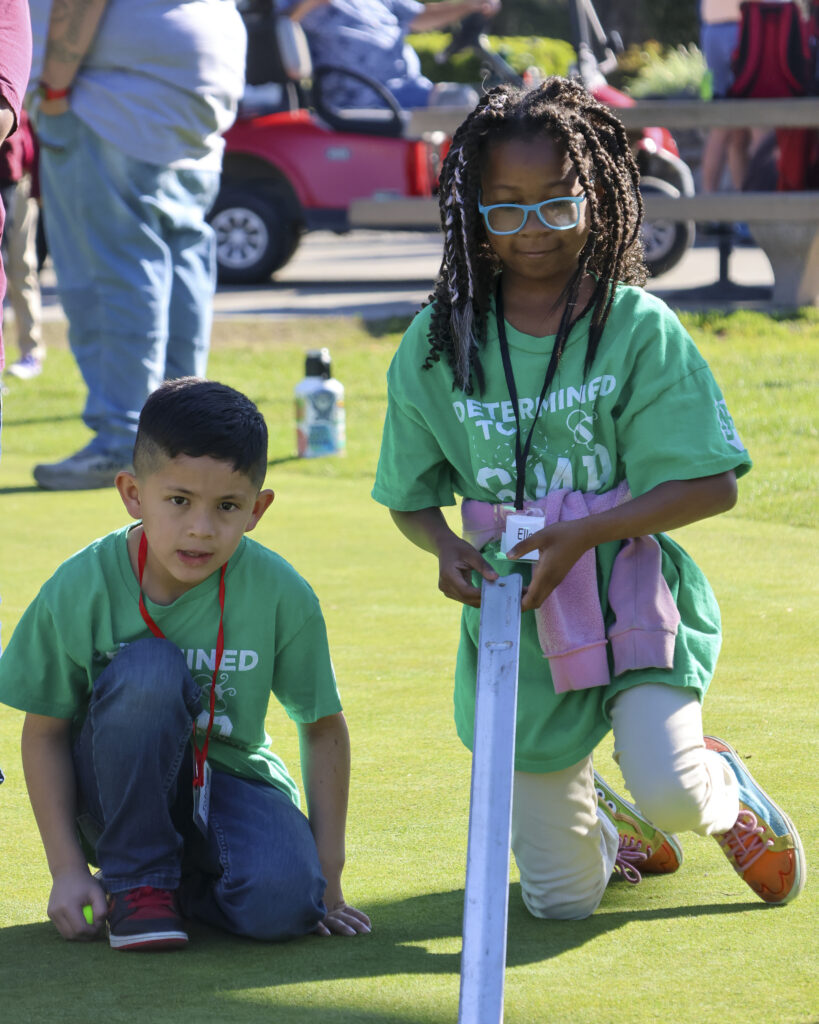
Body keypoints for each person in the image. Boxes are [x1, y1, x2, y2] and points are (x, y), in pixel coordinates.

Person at [372, 78, 805, 920]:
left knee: (674, 789)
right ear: (470, 215)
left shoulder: (635, 325)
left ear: (597, 196)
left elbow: (710, 484)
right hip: (517, 614)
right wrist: (444, 548)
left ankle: (720, 790)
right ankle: (609, 822)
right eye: (504, 208)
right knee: (560, 903)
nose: (530, 230)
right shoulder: (433, 344)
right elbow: (410, 496)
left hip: (630, 595)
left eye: (553, 204)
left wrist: (589, 533)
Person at [0, 377, 371, 950]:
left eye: (227, 506)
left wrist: (331, 878)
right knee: (148, 669)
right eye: (178, 501)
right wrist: (66, 870)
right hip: (112, 796)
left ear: (258, 509)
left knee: (285, 905)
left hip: (231, 781)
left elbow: (322, 727)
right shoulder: (81, 586)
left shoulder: (281, 591)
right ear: (132, 493)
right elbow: (44, 734)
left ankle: (182, 886)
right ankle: (138, 883)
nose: (201, 528)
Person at [27, 0, 247, 491]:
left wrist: (55, 88)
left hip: (110, 86)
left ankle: (124, 440)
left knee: (110, 269)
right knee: (179, 249)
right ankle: (184, 437)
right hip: (200, 70)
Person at [282, 0, 499, 109]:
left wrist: (469, 6)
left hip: (408, 87)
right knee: (463, 102)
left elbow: (420, 16)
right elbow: (280, 25)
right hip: (361, 95)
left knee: (491, 102)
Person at [0, 108, 44, 380]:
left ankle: (31, 351)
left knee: (21, 268)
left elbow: (31, 143)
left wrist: (38, 191)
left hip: (16, 185)